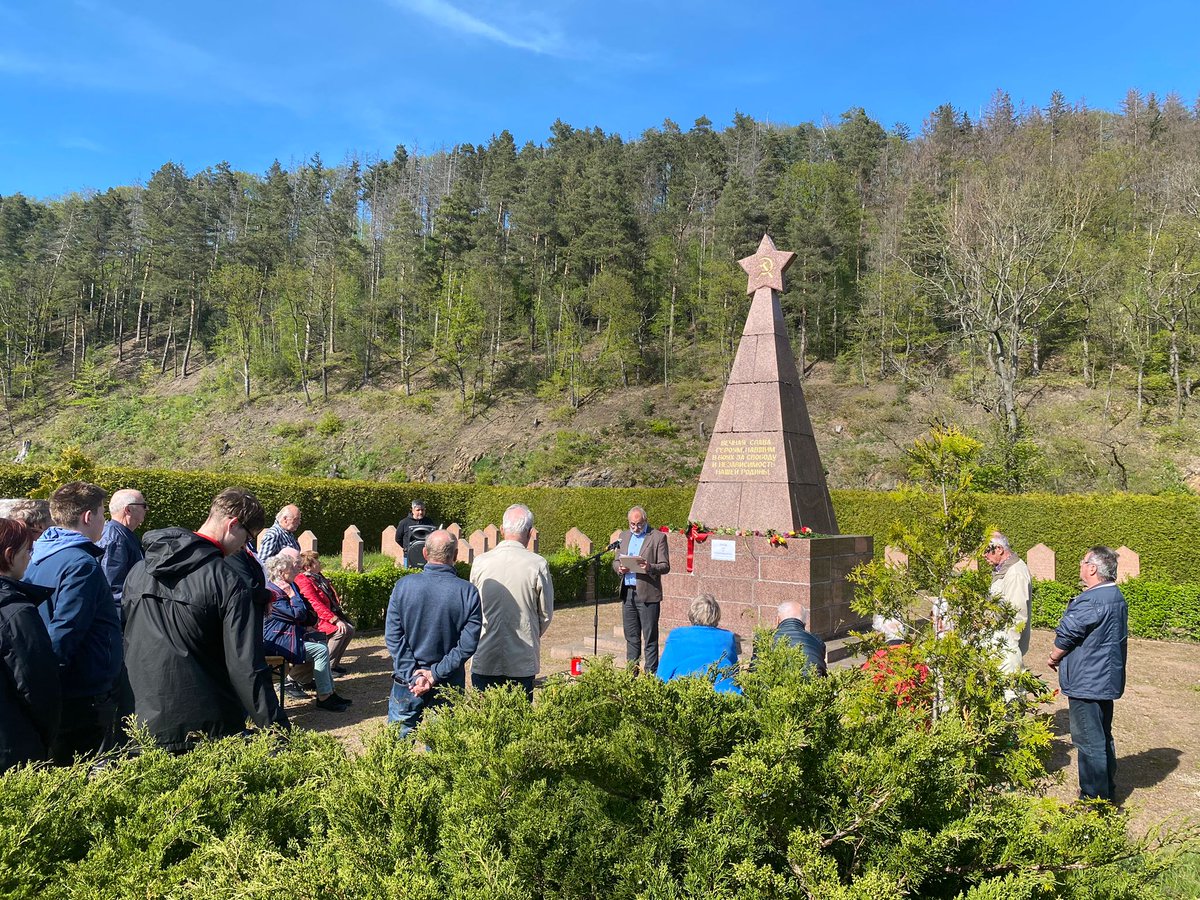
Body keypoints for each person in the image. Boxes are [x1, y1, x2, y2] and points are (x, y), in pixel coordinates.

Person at [122, 488, 287, 753]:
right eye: (246, 538)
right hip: (207, 727)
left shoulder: (139, 569)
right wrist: (278, 731)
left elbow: (125, 637)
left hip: (139, 720)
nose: (244, 547)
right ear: (233, 524)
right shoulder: (229, 582)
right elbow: (246, 667)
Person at [25, 482, 123, 764]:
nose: (104, 521)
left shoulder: (41, 556)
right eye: (103, 514)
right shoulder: (81, 564)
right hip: (82, 690)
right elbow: (67, 630)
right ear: (88, 517)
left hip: (58, 685)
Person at [1048, 546, 1129, 802]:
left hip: (1087, 680)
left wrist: (1053, 657)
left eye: (1083, 562)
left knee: (1088, 740)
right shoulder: (1115, 596)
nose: (1080, 566)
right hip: (1105, 677)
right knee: (1103, 735)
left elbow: (1068, 633)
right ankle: (1107, 790)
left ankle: (1094, 800)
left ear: (1093, 568)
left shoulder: (1091, 600)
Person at [384, 530, 481, 737]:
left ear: (425, 553)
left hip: (407, 680)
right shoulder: (467, 592)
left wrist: (413, 674)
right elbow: (467, 645)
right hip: (448, 680)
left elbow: (393, 637)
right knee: (442, 750)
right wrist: (434, 674)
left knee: (394, 751)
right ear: (455, 556)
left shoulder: (403, 586)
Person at [468, 504, 553, 699]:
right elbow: (546, 614)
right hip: (521, 656)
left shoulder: (480, 562)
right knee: (519, 720)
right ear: (530, 533)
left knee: (484, 719)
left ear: (502, 529)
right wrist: (529, 631)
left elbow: (472, 608)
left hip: (485, 650)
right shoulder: (537, 564)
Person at [0, 518, 61, 773]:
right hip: (13, 747)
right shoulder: (16, 612)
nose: (31, 557)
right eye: (28, 551)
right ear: (9, 555)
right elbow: (37, 685)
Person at [263, 552, 348, 712]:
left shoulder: (290, 585)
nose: (297, 570)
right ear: (281, 572)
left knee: (320, 638)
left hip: (290, 635)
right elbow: (298, 614)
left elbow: (307, 610)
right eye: (292, 568)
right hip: (278, 640)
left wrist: (311, 620)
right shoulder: (274, 592)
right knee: (320, 650)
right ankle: (324, 697)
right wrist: (292, 595)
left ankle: (330, 692)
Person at [613, 506, 671, 674]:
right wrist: (620, 568)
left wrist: (649, 566)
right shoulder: (624, 536)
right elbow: (616, 561)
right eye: (632, 524)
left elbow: (665, 566)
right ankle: (631, 674)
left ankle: (651, 676)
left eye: (639, 524)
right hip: (628, 593)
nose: (635, 528)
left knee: (650, 638)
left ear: (645, 521)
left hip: (648, 594)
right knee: (631, 637)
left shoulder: (658, 537)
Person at [656, 594, 740, 693]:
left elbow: (662, 676)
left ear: (692, 613)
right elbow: (734, 672)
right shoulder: (728, 637)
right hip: (727, 696)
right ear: (717, 615)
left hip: (687, 695)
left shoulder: (677, 635)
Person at [295, 550, 356, 673]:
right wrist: (335, 620)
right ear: (308, 567)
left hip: (325, 615)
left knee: (349, 629)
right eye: (317, 561)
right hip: (315, 618)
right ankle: (324, 668)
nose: (320, 563)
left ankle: (333, 665)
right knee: (339, 631)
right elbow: (315, 604)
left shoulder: (318, 577)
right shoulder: (303, 580)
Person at [984, 533, 1032, 674]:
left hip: (1005, 651)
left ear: (999, 549)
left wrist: (1008, 651)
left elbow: (1017, 615)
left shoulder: (1015, 573)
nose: (983, 555)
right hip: (996, 646)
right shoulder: (1003, 571)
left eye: (986, 550)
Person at [98, 488, 147, 613]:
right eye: (143, 505)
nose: (146, 510)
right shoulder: (116, 539)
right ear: (128, 509)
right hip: (120, 616)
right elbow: (114, 587)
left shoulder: (122, 534)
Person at [767, 601, 827, 676]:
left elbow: (754, 672)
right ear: (804, 624)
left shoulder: (765, 639)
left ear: (777, 620)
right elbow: (823, 673)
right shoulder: (817, 641)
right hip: (811, 686)